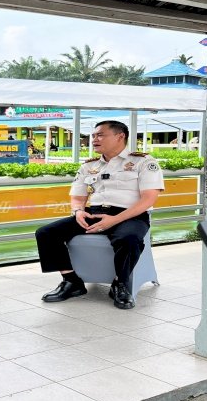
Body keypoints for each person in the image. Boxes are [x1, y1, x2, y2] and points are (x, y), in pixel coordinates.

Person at [35, 120, 164, 310]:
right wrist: (78, 211)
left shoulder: (143, 162)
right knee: (46, 233)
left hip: (130, 216)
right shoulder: (89, 165)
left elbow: (148, 199)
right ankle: (71, 281)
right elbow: (77, 197)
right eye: (93, 135)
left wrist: (115, 220)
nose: (94, 139)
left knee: (128, 239)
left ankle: (120, 284)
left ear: (120, 136)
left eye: (100, 135)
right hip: (94, 214)